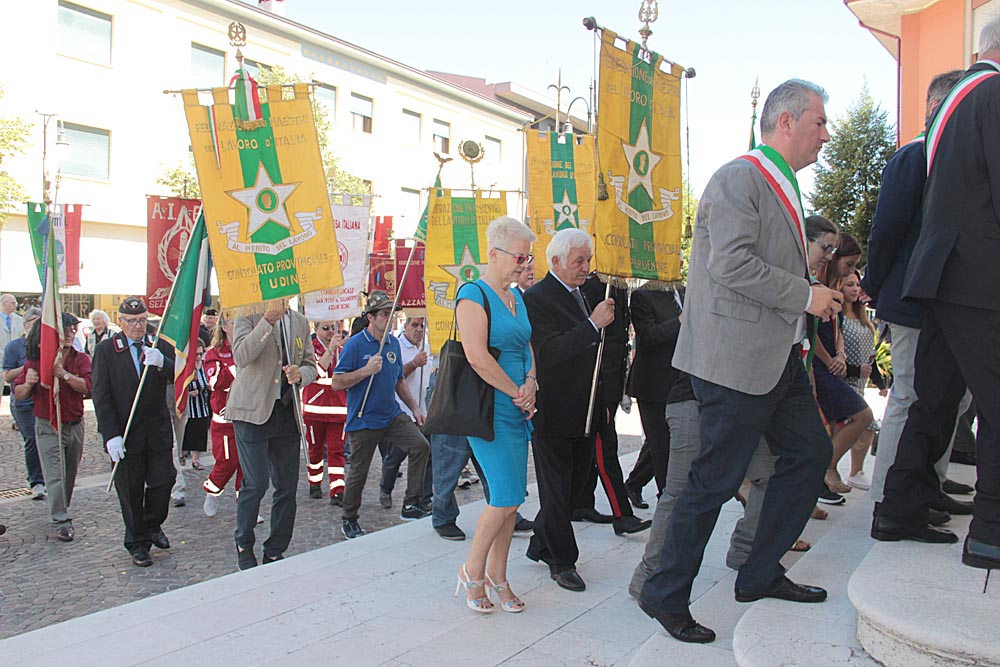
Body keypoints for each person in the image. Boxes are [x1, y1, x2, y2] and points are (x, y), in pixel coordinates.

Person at [638, 80, 843, 643]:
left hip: (777, 359)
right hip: (734, 361)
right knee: (714, 480)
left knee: (810, 454)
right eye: (819, 122)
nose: (826, 135)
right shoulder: (739, 178)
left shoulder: (782, 185)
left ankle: (757, 571)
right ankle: (663, 593)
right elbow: (731, 264)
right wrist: (805, 295)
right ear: (786, 122)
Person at [631, 214, 841, 598]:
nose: (829, 256)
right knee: (682, 492)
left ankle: (747, 553)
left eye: (833, 250)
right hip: (697, 399)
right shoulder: (750, 280)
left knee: (772, 471)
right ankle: (649, 579)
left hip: (751, 399)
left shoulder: (797, 285)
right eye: (824, 247)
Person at [874, 20, 1000, 568]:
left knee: (935, 398)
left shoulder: (957, 98)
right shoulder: (993, 93)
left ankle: (899, 507)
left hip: (945, 276)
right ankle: (992, 532)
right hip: (979, 277)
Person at [862, 69, 972, 515]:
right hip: (910, 301)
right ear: (936, 107)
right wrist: (873, 285)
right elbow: (886, 228)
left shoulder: (956, 156)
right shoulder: (914, 156)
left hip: (946, 304)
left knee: (950, 398)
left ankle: (928, 484)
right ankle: (887, 494)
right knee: (908, 395)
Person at [523, 227, 616, 593]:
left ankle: (540, 542)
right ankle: (563, 562)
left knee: (574, 488)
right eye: (579, 261)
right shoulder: (537, 298)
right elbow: (549, 353)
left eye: (588, 260)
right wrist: (592, 325)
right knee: (557, 490)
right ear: (556, 261)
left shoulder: (583, 293)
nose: (585, 267)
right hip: (553, 410)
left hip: (586, 409)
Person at [453, 217, 537, 613]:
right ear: (494, 254)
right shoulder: (473, 294)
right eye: (520, 257)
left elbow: (526, 345)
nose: (525, 264)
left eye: (528, 257)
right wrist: (516, 392)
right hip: (490, 410)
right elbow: (477, 357)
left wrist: (531, 381)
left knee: (513, 501)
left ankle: (499, 577)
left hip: (519, 408)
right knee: (502, 498)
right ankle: (472, 571)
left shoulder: (517, 297)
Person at [332, 291, 430, 539]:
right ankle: (349, 518)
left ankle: (411, 504)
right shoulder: (355, 344)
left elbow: (398, 380)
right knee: (359, 472)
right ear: (371, 317)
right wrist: (365, 371)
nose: (389, 319)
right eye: (385, 314)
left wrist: (414, 407)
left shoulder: (392, 343)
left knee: (420, 446)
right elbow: (337, 382)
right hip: (364, 417)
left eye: (391, 314)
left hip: (391, 414)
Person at [228, 301, 317, 570]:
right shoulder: (247, 312)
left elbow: (310, 364)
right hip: (252, 411)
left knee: (287, 486)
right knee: (256, 483)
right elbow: (241, 356)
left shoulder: (300, 321)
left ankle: (276, 548)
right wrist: (266, 321)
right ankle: (244, 542)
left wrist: (300, 374)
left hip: (285, 412)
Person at [91, 297, 177, 567]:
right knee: (130, 491)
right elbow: (101, 396)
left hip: (156, 430)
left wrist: (163, 361)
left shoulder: (158, 343)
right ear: (120, 321)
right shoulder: (106, 350)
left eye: (142, 320)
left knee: (164, 481)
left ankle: (151, 523)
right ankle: (137, 543)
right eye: (131, 321)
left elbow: (181, 374)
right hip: (125, 433)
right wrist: (110, 435)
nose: (138, 326)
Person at [13, 312, 91, 542]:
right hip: (48, 425)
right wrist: (29, 383)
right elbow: (19, 394)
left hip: (74, 423)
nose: (71, 333)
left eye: (73, 329)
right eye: (66, 329)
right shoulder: (35, 362)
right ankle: (61, 519)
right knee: (54, 474)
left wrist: (64, 375)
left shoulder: (81, 358)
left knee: (69, 473)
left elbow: (87, 386)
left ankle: (62, 506)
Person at [810, 238, 875, 496]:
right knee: (862, 415)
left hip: (830, 365)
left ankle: (824, 473)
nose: (850, 271)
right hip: (818, 367)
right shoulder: (816, 287)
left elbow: (836, 329)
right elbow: (810, 332)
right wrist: (830, 360)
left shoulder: (832, 290)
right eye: (848, 264)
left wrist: (840, 353)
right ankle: (825, 470)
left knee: (850, 420)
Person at [624, 285, 684, 504]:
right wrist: (680, 321)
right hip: (654, 384)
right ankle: (667, 501)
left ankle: (634, 484)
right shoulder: (643, 295)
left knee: (665, 441)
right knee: (661, 445)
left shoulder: (685, 292)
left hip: (683, 381)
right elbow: (648, 336)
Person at [377, 315, 432, 510]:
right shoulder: (396, 346)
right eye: (414, 325)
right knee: (395, 456)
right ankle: (386, 488)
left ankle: (423, 497)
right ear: (405, 326)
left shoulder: (426, 347)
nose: (419, 329)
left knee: (427, 454)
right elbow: (395, 377)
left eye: (422, 325)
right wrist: (414, 363)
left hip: (422, 411)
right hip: (402, 411)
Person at [302, 318, 348, 505]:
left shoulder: (342, 350)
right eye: (326, 328)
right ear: (316, 329)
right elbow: (317, 372)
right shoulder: (310, 348)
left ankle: (337, 489)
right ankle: (314, 482)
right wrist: (330, 350)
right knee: (315, 450)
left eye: (334, 327)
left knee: (337, 450)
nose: (330, 332)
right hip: (315, 409)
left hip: (338, 409)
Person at [202, 317, 243, 517]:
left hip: (248, 414)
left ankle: (245, 506)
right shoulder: (214, 353)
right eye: (235, 322)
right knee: (227, 462)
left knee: (247, 464)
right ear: (225, 326)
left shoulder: (249, 347)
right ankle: (212, 490)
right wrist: (236, 367)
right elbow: (215, 382)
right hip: (224, 418)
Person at [3, 307, 45, 499]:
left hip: (42, 399)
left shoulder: (45, 344)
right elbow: (7, 375)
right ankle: (36, 481)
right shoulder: (14, 347)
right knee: (32, 439)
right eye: (35, 323)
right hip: (23, 402)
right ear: (26, 325)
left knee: (47, 439)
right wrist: (27, 368)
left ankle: (49, 477)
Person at [181, 340, 210, 469]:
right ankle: (181, 455)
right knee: (187, 433)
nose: (198, 356)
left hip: (203, 405)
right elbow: (179, 388)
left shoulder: (204, 365)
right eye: (196, 354)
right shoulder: (185, 366)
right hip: (188, 408)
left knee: (200, 433)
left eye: (200, 353)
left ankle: (195, 460)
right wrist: (188, 393)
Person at [2, 294, 25, 428]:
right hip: (1, 358)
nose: (15, 305)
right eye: (12, 303)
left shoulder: (19, 320)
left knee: (15, 389)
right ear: (4, 304)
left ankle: (15, 420)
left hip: (15, 361)